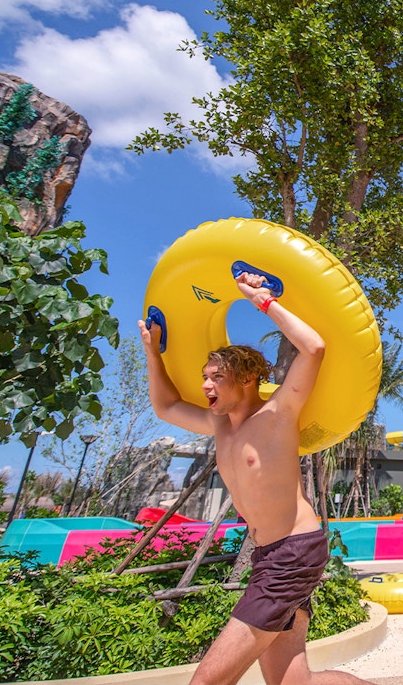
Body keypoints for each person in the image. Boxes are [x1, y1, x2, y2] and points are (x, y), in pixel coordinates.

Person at [139, 272, 373, 685]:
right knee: (294, 683)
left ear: (247, 380)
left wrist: (260, 300)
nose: (205, 385)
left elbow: (314, 347)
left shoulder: (278, 414)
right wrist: (152, 352)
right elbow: (165, 406)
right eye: (205, 376)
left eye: (216, 377)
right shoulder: (220, 426)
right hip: (270, 556)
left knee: (206, 682)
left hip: (293, 553)